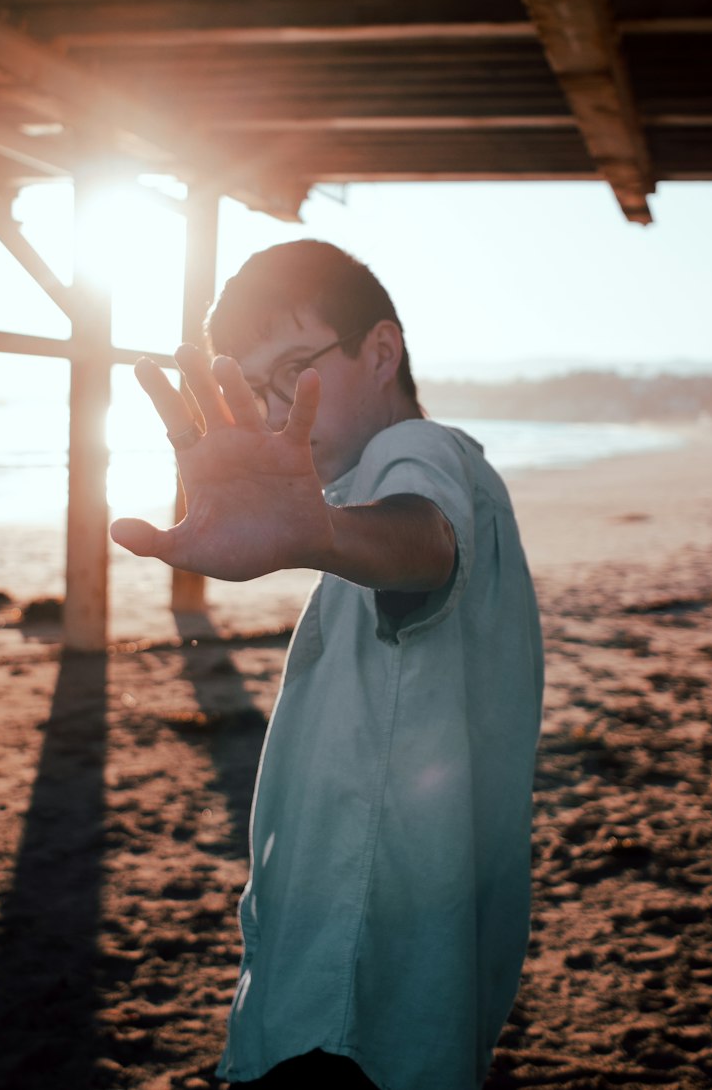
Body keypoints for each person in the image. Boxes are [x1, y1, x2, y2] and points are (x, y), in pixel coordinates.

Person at [110, 240, 544, 1090]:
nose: (275, 408)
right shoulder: (395, 480)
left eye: (294, 370)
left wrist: (324, 535)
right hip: (401, 974)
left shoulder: (414, 455)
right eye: (257, 387)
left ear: (380, 351)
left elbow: (426, 545)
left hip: (354, 993)